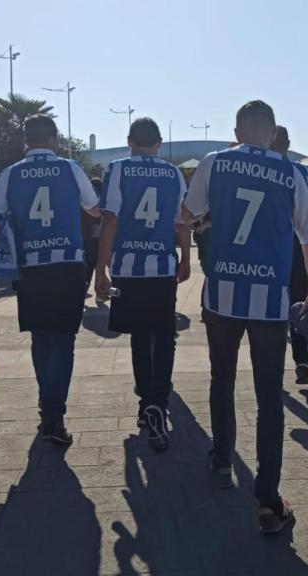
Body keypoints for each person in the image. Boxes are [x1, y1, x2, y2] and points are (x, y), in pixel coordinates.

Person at [181, 100, 308, 534]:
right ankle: (267, 498)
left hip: (222, 294)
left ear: (237, 130)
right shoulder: (293, 173)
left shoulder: (214, 162)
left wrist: (206, 222)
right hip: (269, 298)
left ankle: (223, 459)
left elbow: (186, 215)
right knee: (269, 397)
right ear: (274, 131)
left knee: (221, 379)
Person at [0, 114, 100, 444]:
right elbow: (94, 208)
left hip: (30, 269)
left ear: (26, 141)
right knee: (63, 341)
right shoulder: (71, 168)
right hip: (67, 266)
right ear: (54, 139)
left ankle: (46, 404)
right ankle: (53, 415)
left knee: (40, 338)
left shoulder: (10, 174)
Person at [94, 117, 190, 452]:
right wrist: (187, 259)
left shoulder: (118, 168)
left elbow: (110, 219)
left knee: (138, 335)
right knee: (164, 336)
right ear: (159, 143)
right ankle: (158, 403)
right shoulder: (174, 173)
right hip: (162, 267)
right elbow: (182, 221)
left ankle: (144, 398)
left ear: (130, 141)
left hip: (128, 269)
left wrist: (101, 268)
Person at [270, 125, 308, 385]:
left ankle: (273, 367)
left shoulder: (262, 171)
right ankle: (302, 360)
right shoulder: (304, 173)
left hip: (271, 249)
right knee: (298, 305)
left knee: (273, 311)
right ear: (288, 144)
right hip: (301, 249)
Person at [82, 178, 104, 295]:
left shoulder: (84, 199)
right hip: (95, 235)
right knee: (94, 263)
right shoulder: (99, 201)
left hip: (83, 234)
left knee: (87, 263)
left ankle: (85, 285)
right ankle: (99, 289)